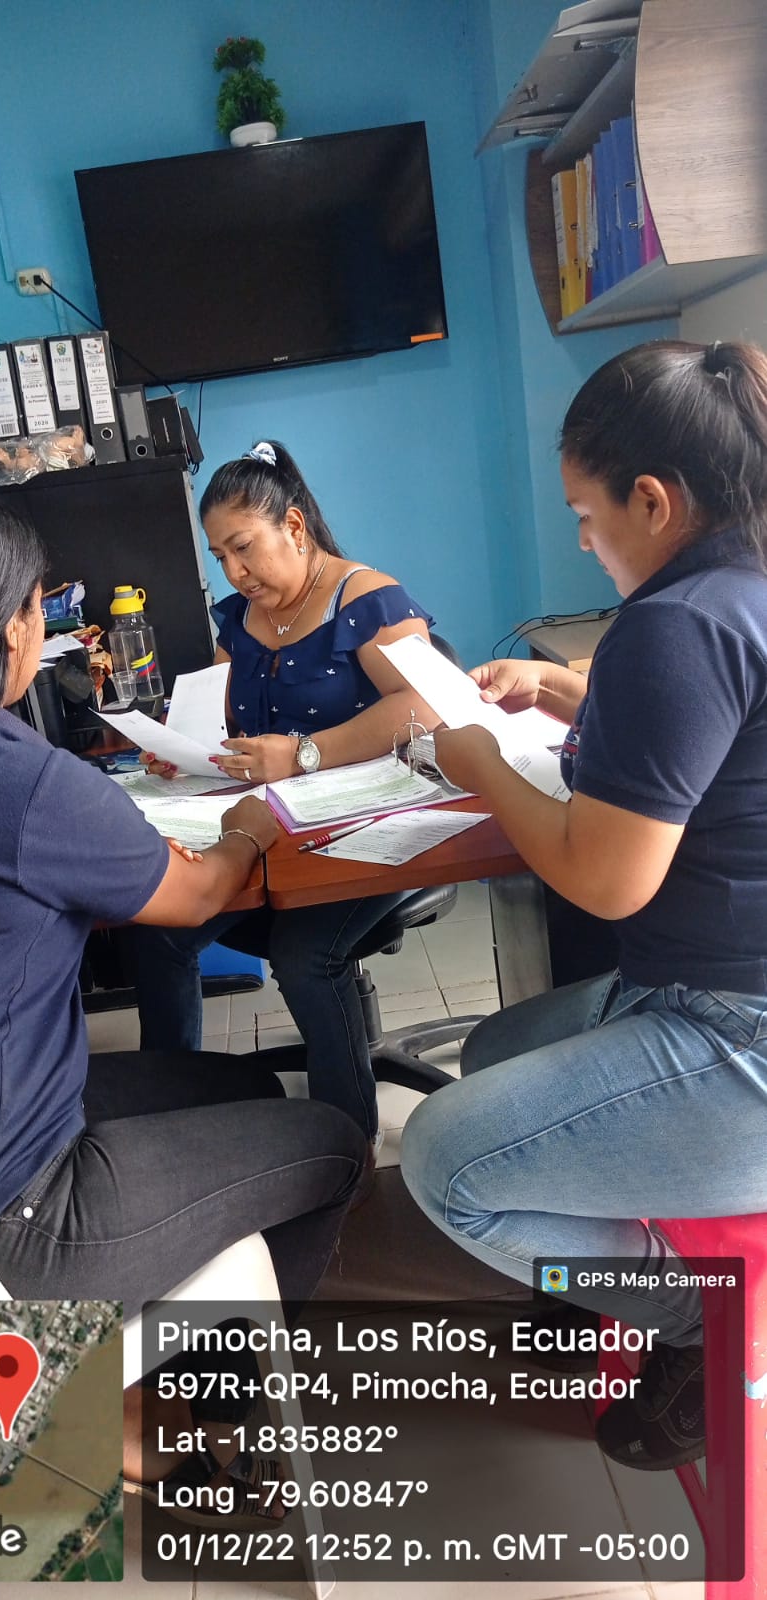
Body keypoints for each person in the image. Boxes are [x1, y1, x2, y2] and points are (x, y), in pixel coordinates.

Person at [0, 480, 365, 1509]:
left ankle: (132, 1394)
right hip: (4, 1225)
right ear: (8, 629)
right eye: (37, 609)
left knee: (240, 1089)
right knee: (331, 1142)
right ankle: (184, 1420)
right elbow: (199, 895)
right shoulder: (11, 777)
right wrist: (248, 831)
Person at [400, 338, 767, 1471]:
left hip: (740, 1031)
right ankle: (599, 1267)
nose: (580, 541)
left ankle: (687, 1318)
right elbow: (709, 742)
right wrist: (569, 688)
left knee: (443, 1163)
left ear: (653, 501)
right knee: (495, 1046)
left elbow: (607, 879)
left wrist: (481, 768)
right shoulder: (740, 586)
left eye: (585, 515)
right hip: (712, 982)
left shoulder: (676, 620)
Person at [130, 440, 438, 1145]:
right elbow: (218, 713)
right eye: (220, 557)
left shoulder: (366, 598)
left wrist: (304, 754)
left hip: (371, 827)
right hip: (275, 829)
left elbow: (426, 705)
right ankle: (170, 1117)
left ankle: (345, 1142)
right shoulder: (240, 618)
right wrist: (181, 748)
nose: (234, 573)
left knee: (305, 955)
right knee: (161, 929)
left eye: (243, 549)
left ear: (293, 527)